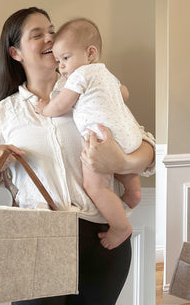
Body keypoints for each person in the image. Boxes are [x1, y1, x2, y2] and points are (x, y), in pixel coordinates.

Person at [0, 7, 155, 305]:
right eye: (37, 34)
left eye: (52, 32)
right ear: (16, 53)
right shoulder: (6, 112)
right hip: (37, 240)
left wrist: (122, 163)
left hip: (103, 238)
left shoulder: (92, 87)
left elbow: (142, 144)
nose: (49, 39)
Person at [35, 18, 142, 250]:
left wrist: (45, 107)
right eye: (58, 61)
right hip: (128, 136)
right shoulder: (105, 74)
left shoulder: (79, 76)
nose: (61, 66)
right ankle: (133, 193)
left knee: (95, 186)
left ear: (91, 53)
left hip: (101, 140)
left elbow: (60, 106)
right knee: (123, 172)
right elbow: (124, 93)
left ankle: (120, 227)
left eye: (65, 58)